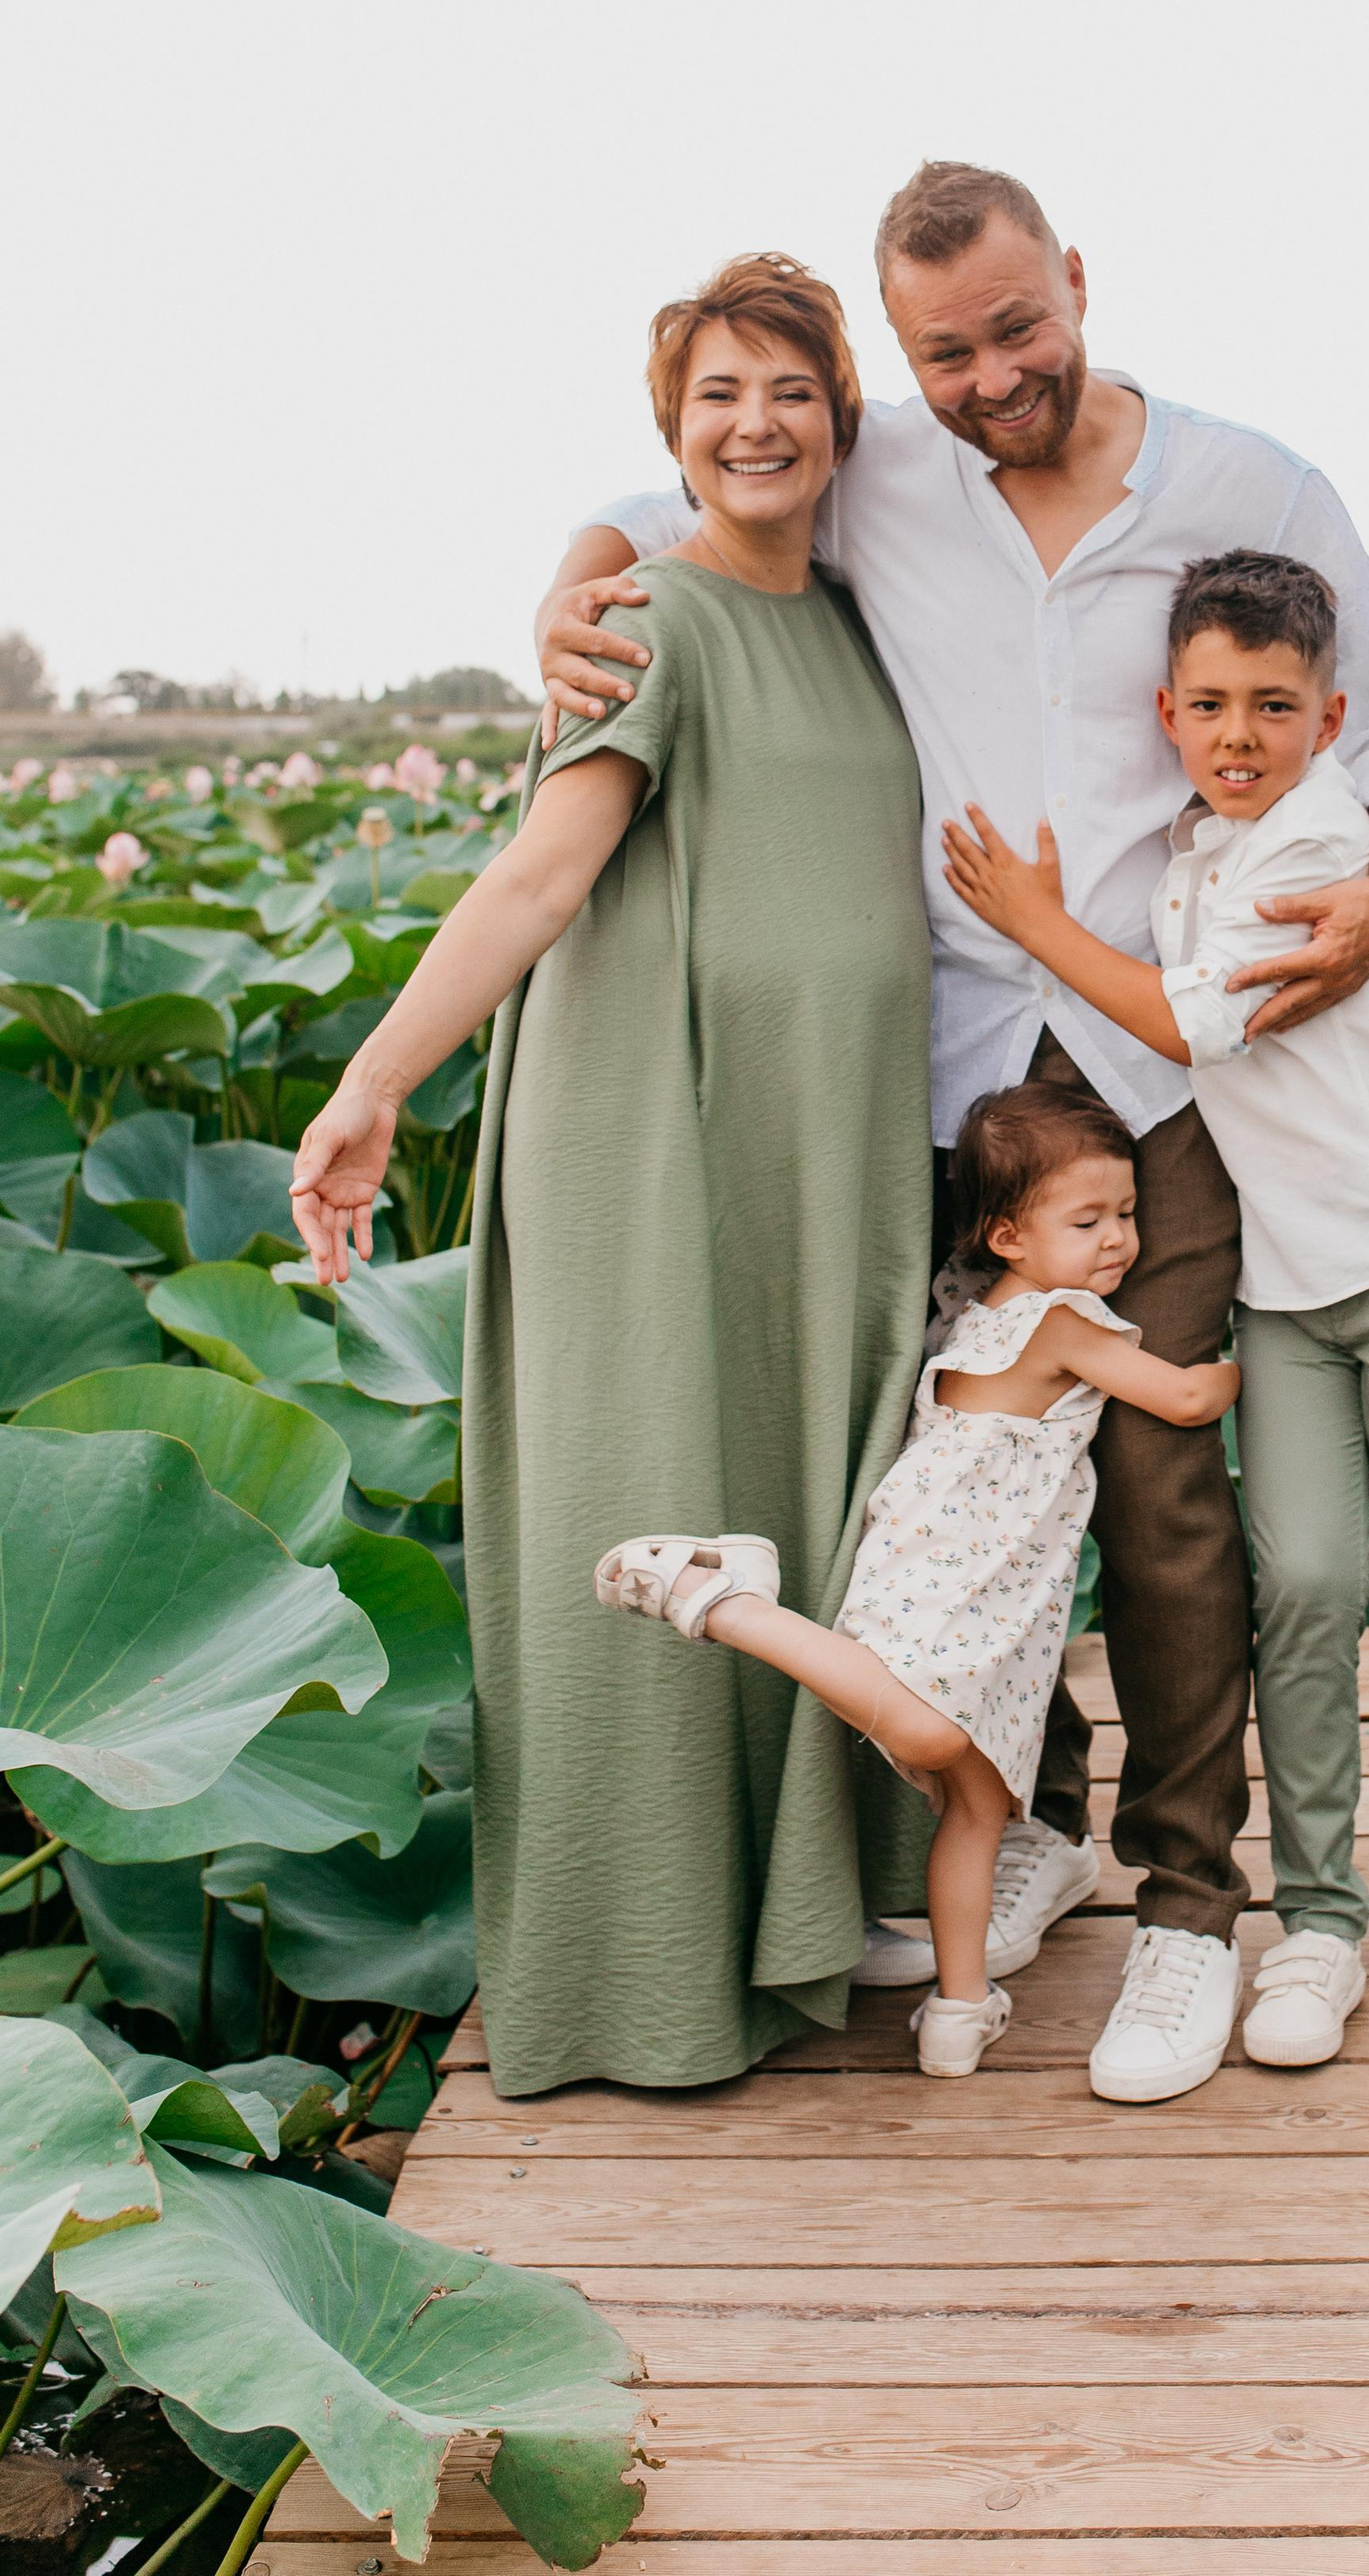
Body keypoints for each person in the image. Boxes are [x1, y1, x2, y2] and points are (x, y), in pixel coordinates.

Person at [538, 158, 1369, 2103]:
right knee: (962, 1474)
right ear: (904, 355)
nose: (987, 377)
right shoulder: (886, 469)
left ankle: (1193, 1911)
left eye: (1016, 329)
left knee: (1161, 1498)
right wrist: (574, 568)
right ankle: (1016, 1824)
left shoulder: (1245, 482)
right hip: (957, 1069)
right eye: (943, 351)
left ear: (1078, 287)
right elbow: (676, 502)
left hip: (1158, 1070)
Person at [289, 253, 939, 2097]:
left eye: (790, 391)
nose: (758, 424)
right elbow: (539, 878)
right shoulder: (640, 622)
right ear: (670, 432)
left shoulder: (856, 609)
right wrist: (372, 1083)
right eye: (718, 396)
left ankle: (814, 1915)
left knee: (810, 1491)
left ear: (840, 419)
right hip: (660, 1121)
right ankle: (641, 1978)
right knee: (657, 1475)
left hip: (823, 1140)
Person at [943, 548, 1369, 2070]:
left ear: (1331, 719)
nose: (1240, 734)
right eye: (1209, 705)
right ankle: (1318, 1919)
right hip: (1288, 1285)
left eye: (1274, 706)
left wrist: (1032, 920)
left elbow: (1188, 1026)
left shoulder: (1314, 849)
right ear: (1168, 713)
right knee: (1312, 1587)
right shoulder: (1203, 850)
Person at [594, 1079, 1239, 2079]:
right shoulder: (1061, 1322)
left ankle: (960, 2003)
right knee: (932, 1735)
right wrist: (1247, 1363)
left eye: (1127, 1214)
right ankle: (724, 1601)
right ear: (1008, 1236)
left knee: (977, 1812)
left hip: (993, 1611)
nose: (1118, 1239)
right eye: (1087, 1220)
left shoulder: (974, 1315)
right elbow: (1189, 1398)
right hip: (948, 1587)